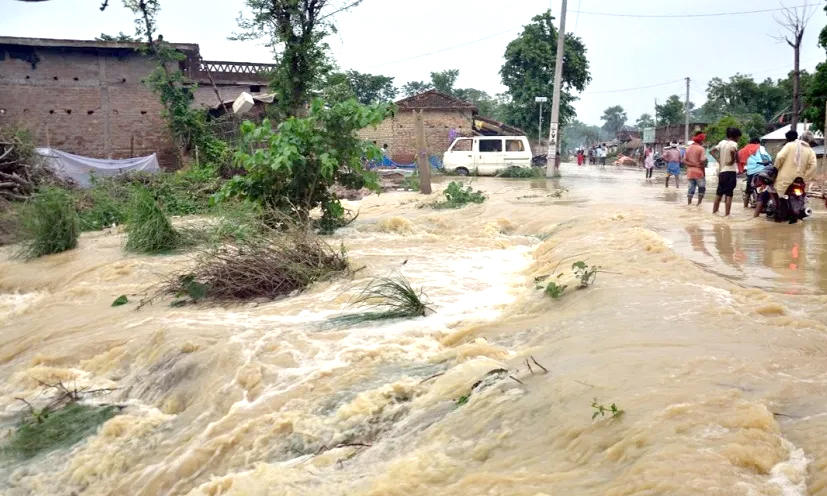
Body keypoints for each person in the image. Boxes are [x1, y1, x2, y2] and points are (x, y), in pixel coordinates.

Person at [711, 127, 741, 216]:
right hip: (730, 172)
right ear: (735, 136)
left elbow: (711, 151)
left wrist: (718, 160)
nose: (739, 139)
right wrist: (732, 160)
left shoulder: (722, 143)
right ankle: (727, 215)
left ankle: (714, 213)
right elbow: (732, 150)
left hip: (722, 172)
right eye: (738, 137)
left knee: (719, 193)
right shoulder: (734, 144)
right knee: (729, 194)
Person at [740, 137, 771, 208]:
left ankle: (745, 206)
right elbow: (768, 158)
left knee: (748, 190)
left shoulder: (745, 149)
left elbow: (741, 160)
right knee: (768, 186)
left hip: (750, 172)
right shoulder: (761, 148)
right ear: (757, 143)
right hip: (762, 170)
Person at [684, 132, 708, 205]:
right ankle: (698, 204)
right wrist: (703, 171)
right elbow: (702, 161)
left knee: (691, 189)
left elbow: (684, 160)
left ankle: (689, 204)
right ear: (701, 140)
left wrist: (692, 164)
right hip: (699, 172)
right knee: (701, 188)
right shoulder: (701, 149)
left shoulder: (688, 148)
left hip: (690, 172)